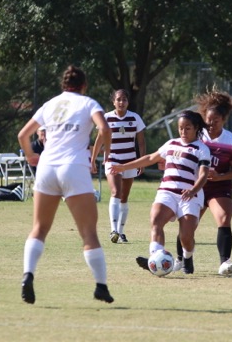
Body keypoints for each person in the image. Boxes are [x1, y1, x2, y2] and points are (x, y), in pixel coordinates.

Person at [17, 65, 114, 305]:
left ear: (63, 85)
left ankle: (28, 274)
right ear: (84, 85)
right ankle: (101, 286)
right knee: (88, 232)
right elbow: (104, 128)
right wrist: (106, 153)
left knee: (39, 228)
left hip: (47, 167)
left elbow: (22, 135)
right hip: (74, 167)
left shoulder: (50, 104)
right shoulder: (88, 103)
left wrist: (31, 155)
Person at [110, 110, 210, 275]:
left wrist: (193, 190)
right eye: (180, 128)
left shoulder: (202, 149)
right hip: (167, 191)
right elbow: (150, 158)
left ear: (196, 128)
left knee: (186, 236)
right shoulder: (171, 144)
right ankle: (155, 259)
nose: (183, 132)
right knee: (156, 220)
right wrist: (124, 166)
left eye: (188, 128)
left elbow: (204, 174)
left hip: (190, 196)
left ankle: (187, 257)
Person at [173, 89, 232, 275]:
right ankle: (181, 259)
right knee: (188, 227)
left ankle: (224, 262)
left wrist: (220, 176)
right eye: (208, 120)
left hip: (219, 187)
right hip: (195, 186)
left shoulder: (231, 141)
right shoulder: (197, 136)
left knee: (224, 219)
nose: (210, 124)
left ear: (224, 120)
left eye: (215, 121)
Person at [91, 89, 146, 244]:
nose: (121, 102)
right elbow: (99, 141)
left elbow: (141, 142)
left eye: (124, 100)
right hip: (112, 159)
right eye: (118, 99)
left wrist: (142, 161)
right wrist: (93, 160)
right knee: (116, 192)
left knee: (124, 197)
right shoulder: (106, 118)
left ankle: (121, 232)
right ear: (113, 101)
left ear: (128, 102)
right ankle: (113, 230)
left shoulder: (135, 118)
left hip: (130, 161)